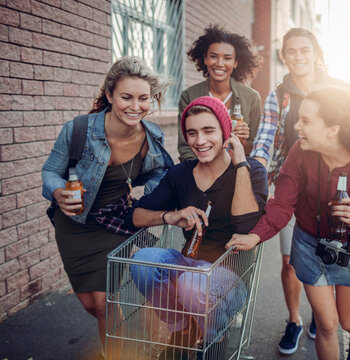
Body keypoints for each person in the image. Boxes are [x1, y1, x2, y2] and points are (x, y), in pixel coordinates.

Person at [227, 87, 350, 360]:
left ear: (332, 129)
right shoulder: (300, 151)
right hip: (307, 244)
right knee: (327, 325)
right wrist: (255, 237)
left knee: (348, 322)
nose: (296, 126)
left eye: (306, 121)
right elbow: (281, 205)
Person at [41, 56, 174, 356]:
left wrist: (144, 196)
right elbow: (50, 171)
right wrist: (58, 191)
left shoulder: (151, 138)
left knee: (105, 303)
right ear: (110, 94)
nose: (135, 106)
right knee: (91, 304)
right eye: (127, 97)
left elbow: (160, 172)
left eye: (144, 99)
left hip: (116, 222)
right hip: (73, 226)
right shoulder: (78, 130)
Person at [127, 96, 268, 357]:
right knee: (142, 261)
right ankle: (182, 331)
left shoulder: (252, 172)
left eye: (208, 130)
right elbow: (136, 216)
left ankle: (213, 340)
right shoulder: (181, 174)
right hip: (187, 261)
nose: (200, 141)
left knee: (193, 284)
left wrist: (241, 165)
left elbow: (247, 224)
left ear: (226, 133)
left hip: (229, 274)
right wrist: (171, 216)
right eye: (192, 133)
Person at [250, 27, 350, 354]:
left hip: (332, 186)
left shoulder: (339, 90)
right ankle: (294, 319)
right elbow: (265, 139)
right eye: (290, 51)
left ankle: (321, 318)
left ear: (316, 53)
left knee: (332, 254)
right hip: (290, 183)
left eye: (304, 50)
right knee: (291, 260)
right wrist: (254, 167)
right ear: (284, 56)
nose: (298, 57)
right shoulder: (279, 96)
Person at [178, 25, 262, 161]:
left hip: (236, 171)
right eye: (213, 56)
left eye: (227, 58)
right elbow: (185, 148)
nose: (219, 63)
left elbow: (255, 150)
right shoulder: (189, 96)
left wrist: (244, 142)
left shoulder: (251, 98)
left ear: (235, 63)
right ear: (205, 59)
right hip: (200, 173)